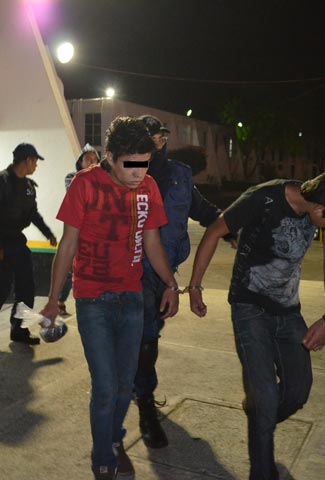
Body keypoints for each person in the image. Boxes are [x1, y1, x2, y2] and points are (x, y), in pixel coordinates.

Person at [186, 169, 325, 480]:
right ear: (318, 209)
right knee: (266, 396)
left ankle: (260, 414)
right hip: (249, 306)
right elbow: (215, 231)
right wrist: (194, 286)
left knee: (297, 391)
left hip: (287, 310)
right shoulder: (263, 197)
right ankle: (262, 468)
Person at [40, 116, 179, 480]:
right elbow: (68, 244)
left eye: (144, 164)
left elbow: (152, 241)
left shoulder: (148, 187)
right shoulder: (84, 185)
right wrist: (54, 299)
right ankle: (103, 456)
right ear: (111, 156)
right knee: (105, 386)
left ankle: (113, 438)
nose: (139, 173)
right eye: (131, 165)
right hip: (92, 299)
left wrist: (171, 284)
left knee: (124, 384)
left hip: (132, 298)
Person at [133, 114, 237, 449]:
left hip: (164, 271)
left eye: (161, 136)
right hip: (132, 270)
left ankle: (137, 384)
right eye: (152, 136)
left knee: (149, 335)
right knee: (146, 338)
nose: (158, 141)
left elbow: (202, 210)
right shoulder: (127, 170)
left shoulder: (179, 174)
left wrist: (231, 228)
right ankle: (145, 405)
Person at [0, 142, 57, 345]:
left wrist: (48, 233)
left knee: (26, 288)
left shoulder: (28, 187)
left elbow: (33, 214)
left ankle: (19, 330)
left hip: (16, 241)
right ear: (27, 160)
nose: (36, 165)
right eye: (35, 161)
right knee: (1, 286)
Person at [57, 143, 100, 317]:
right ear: (80, 162)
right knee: (70, 269)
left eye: (95, 159)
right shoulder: (72, 178)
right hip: (76, 233)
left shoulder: (102, 180)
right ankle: (59, 301)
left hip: (95, 234)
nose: (92, 162)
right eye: (87, 159)